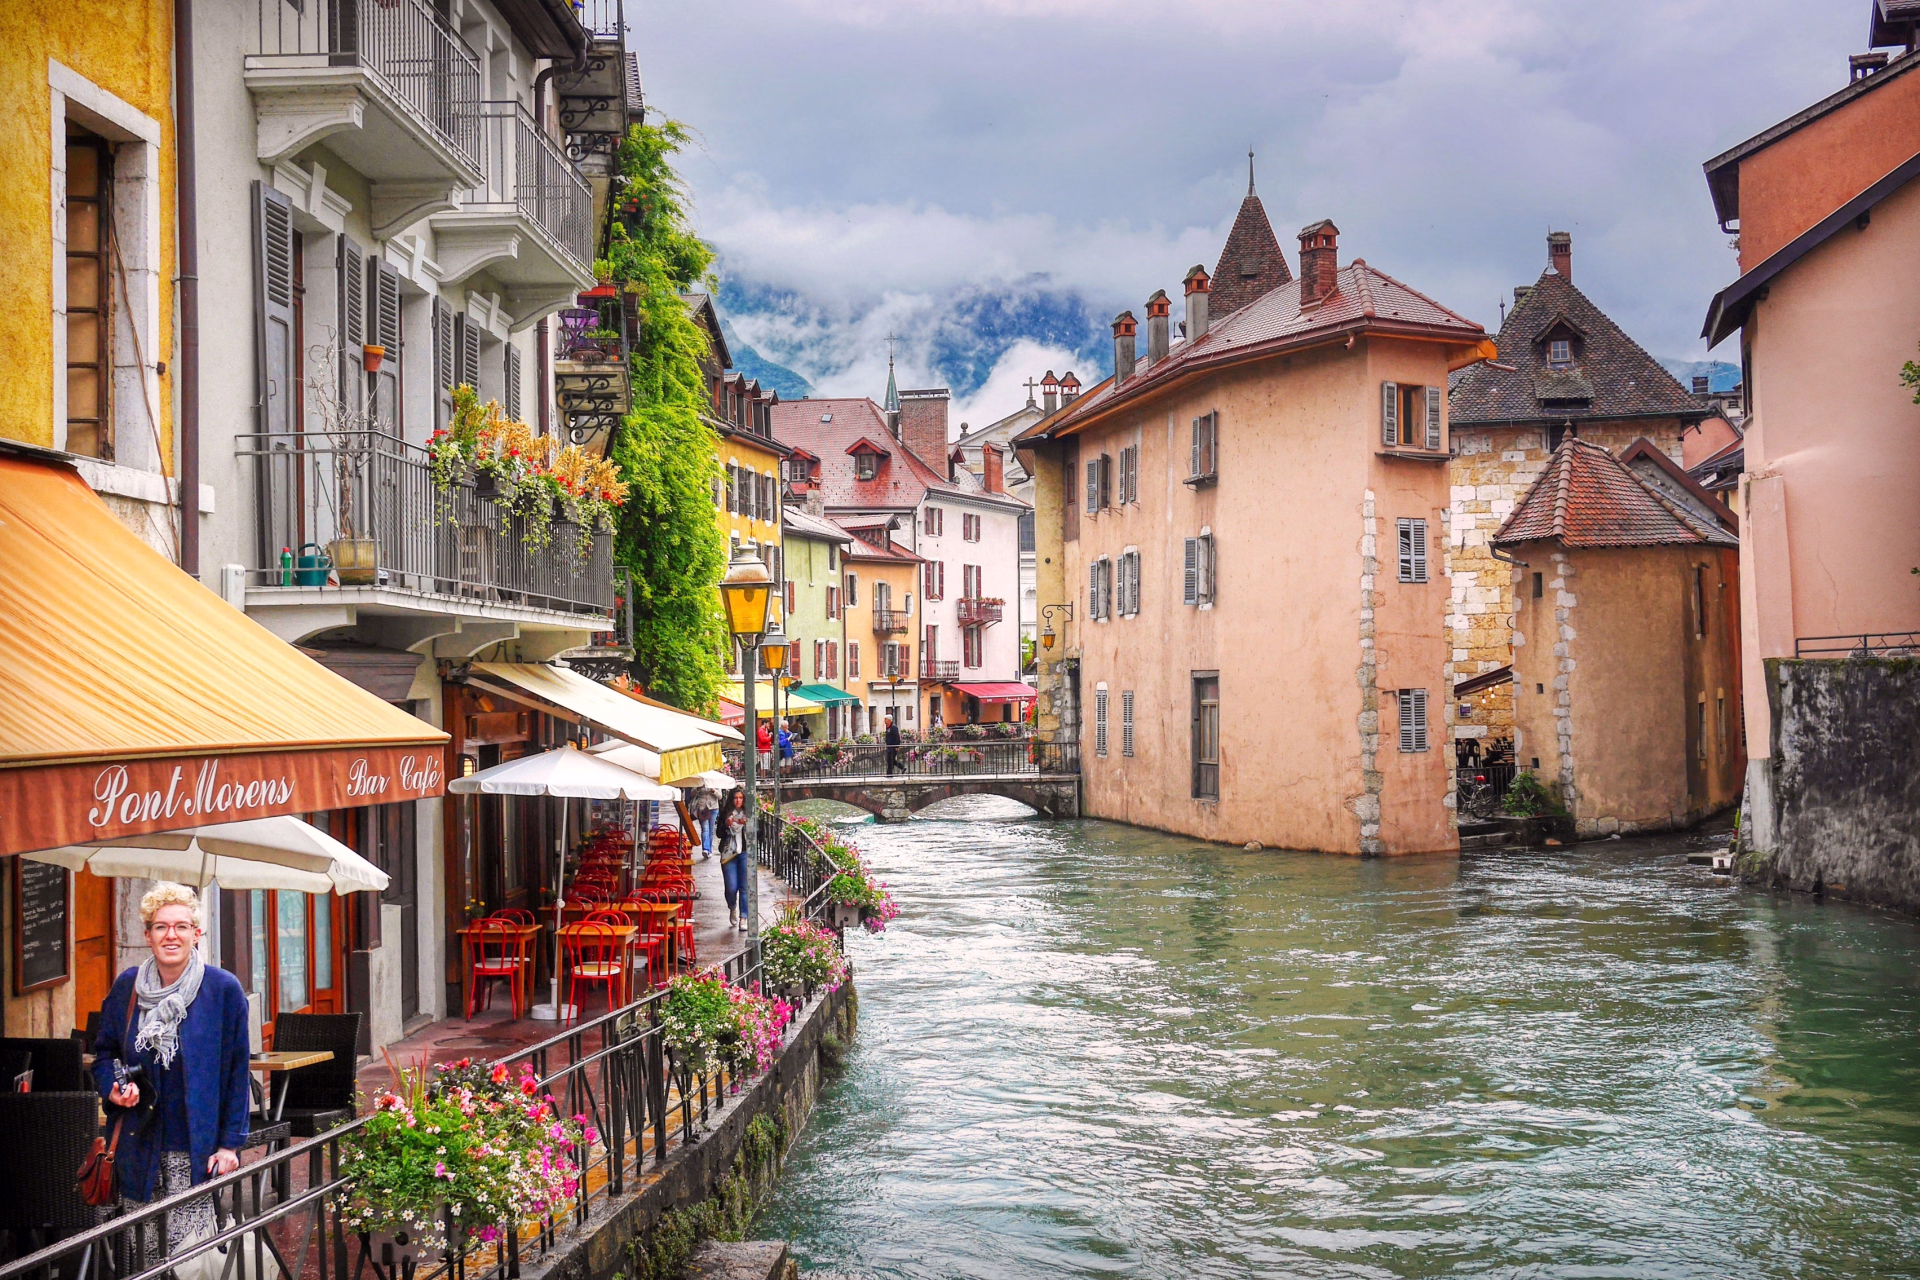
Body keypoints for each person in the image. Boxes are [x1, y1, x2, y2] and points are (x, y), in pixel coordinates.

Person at [94, 883, 251, 1255]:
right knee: (143, 1257)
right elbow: (103, 1053)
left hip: (194, 1151)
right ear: (147, 936)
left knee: (190, 1261)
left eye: (182, 926)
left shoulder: (222, 990)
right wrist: (113, 1087)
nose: (171, 935)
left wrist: (230, 1144)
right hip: (138, 1146)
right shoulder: (127, 987)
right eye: (161, 927)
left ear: (197, 934)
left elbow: (236, 1073)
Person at [719, 789, 751, 929]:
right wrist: (726, 824)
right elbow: (719, 833)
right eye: (735, 798)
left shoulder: (749, 814)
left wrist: (747, 825)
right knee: (731, 887)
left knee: (744, 886)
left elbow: (759, 833)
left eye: (741, 798)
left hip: (744, 852)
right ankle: (732, 906)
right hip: (729, 853)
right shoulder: (726, 813)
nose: (738, 801)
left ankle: (744, 917)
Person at [689, 783, 720, 858]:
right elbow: (692, 793)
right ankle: (705, 849)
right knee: (705, 829)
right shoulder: (699, 780)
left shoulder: (715, 781)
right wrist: (698, 788)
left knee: (711, 831)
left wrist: (714, 791)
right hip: (702, 808)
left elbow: (720, 796)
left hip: (713, 808)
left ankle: (709, 850)